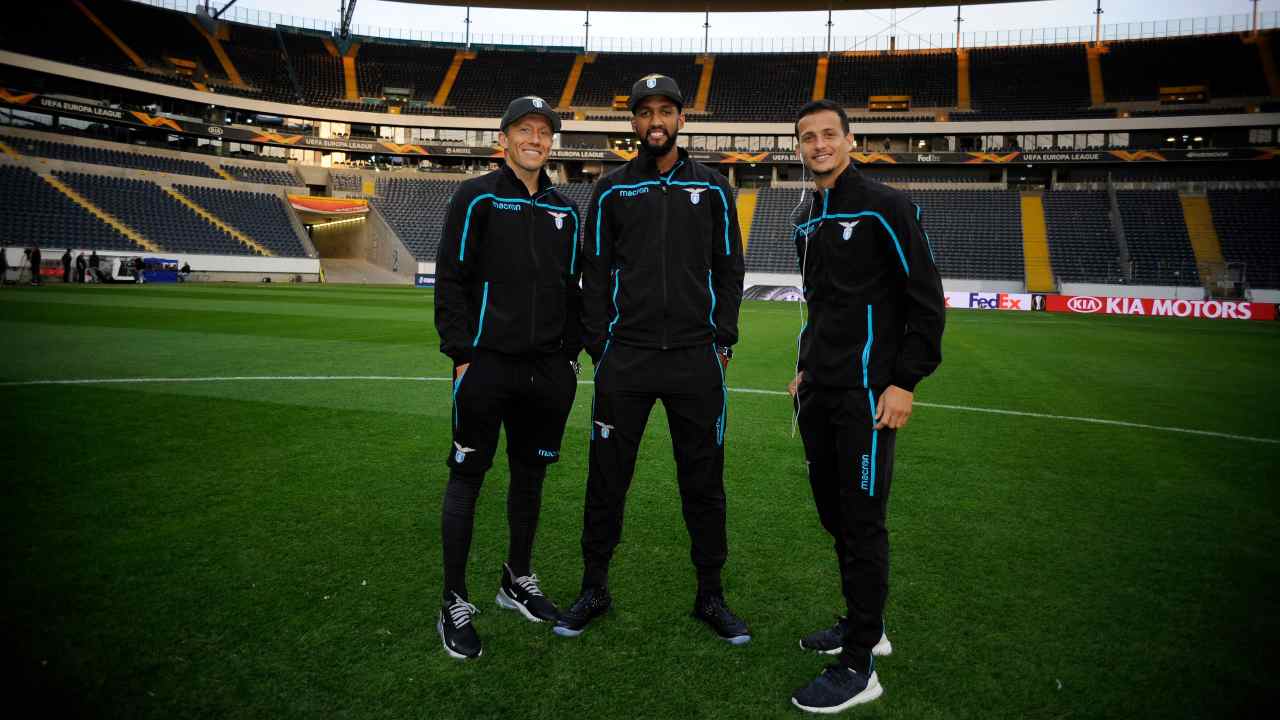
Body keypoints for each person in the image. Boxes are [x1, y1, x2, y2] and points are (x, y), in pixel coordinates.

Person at [553, 74, 748, 644]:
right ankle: (595, 586)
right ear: (634, 123)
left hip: (695, 359)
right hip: (627, 360)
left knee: (704, 481)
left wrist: (723, 337)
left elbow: (729, 267)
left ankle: (710, 594)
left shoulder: (713, 187)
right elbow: (592, 271)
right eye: (645, 112)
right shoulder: (612, 189)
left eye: (666, 110)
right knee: (607, 478)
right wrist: (600, 346)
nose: (655, 121)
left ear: (681, 119)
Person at [785, 100, 945, 714]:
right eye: (808, 137)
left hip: (867, 398)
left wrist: (905, 382)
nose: (819, 144)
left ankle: (861, 664)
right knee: (834, 513)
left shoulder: (887, 206)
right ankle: (865, 625)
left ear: (850, 140)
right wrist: (805, 364)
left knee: (862, 519)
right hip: (820, 391)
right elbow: (823, 305)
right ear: (799, 148)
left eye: (829, 134)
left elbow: (925, 301)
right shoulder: (806, 215)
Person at [433, 95, 582, 660]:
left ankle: (516, 578)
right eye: (525, 129)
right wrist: (462, 353)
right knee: (467, 476)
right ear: (506, 138)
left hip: (547, 370)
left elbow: (574, 291)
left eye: (544, 132)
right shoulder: (475, 196)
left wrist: (569, 358)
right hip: (487, 364)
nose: (535, 139)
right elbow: (451, 277)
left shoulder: (565, 210)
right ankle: (453, 599)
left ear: (550, 144)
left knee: (531, 476)